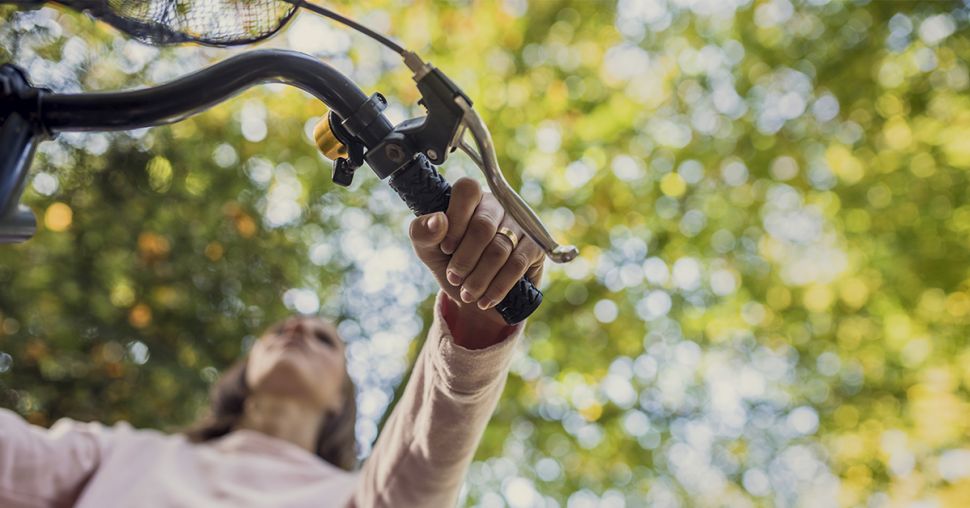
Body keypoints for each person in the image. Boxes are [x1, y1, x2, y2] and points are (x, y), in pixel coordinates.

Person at [0, 177, 546, 508]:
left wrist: (475, 327)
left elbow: (424, 466)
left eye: (323, 340)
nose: (296, 329)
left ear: (340, 398)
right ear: (244, 371)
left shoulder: (355, 496)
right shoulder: (124, 454)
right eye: (281, 329)